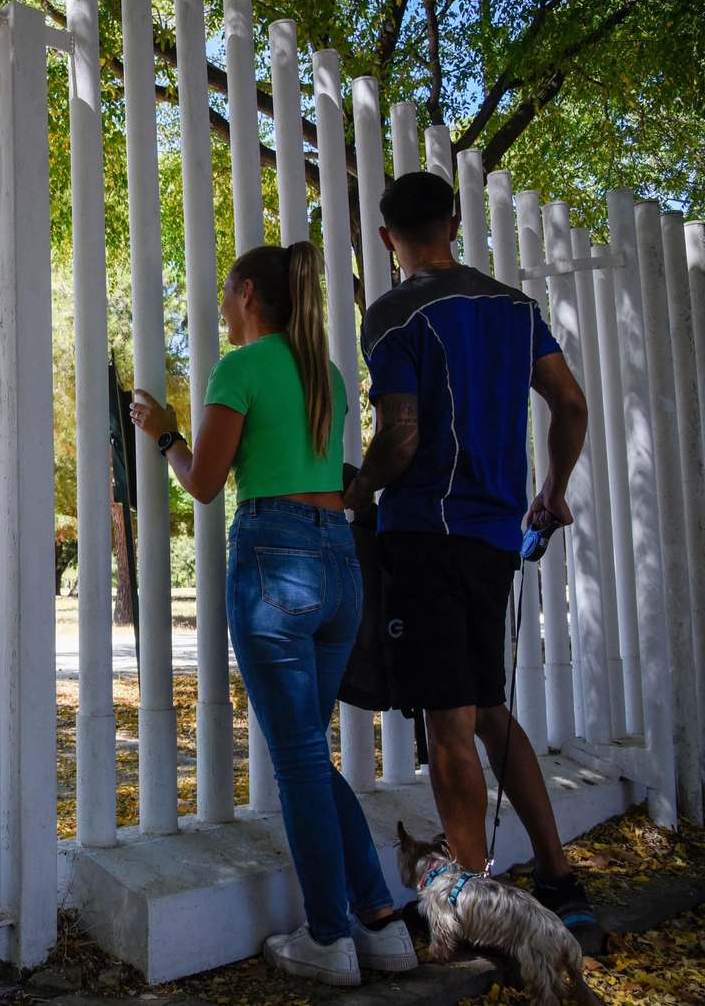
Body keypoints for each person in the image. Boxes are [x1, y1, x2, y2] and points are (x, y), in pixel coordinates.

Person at [132, 242, 415, 986]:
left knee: (297, 762)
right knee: (309, 759)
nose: (222, 312)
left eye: (226, 297)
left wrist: (163, 432)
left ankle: (330, 938)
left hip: (275, 557)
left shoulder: (241, 369)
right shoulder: (325, 372)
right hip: (340, 562)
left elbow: (203, 481)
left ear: (249, 294)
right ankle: (382, 923)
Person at [343, 170, 605, 952]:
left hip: (425, 534)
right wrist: (551, 490)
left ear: (388, 239)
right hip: (494, 538)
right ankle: (560, 881)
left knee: (448, 721)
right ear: (454, 223)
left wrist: (359, 494)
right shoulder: (517, 310)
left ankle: (474, 903)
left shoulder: (392, 315)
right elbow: (573, 404)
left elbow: (400, 436)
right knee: (489, 710)